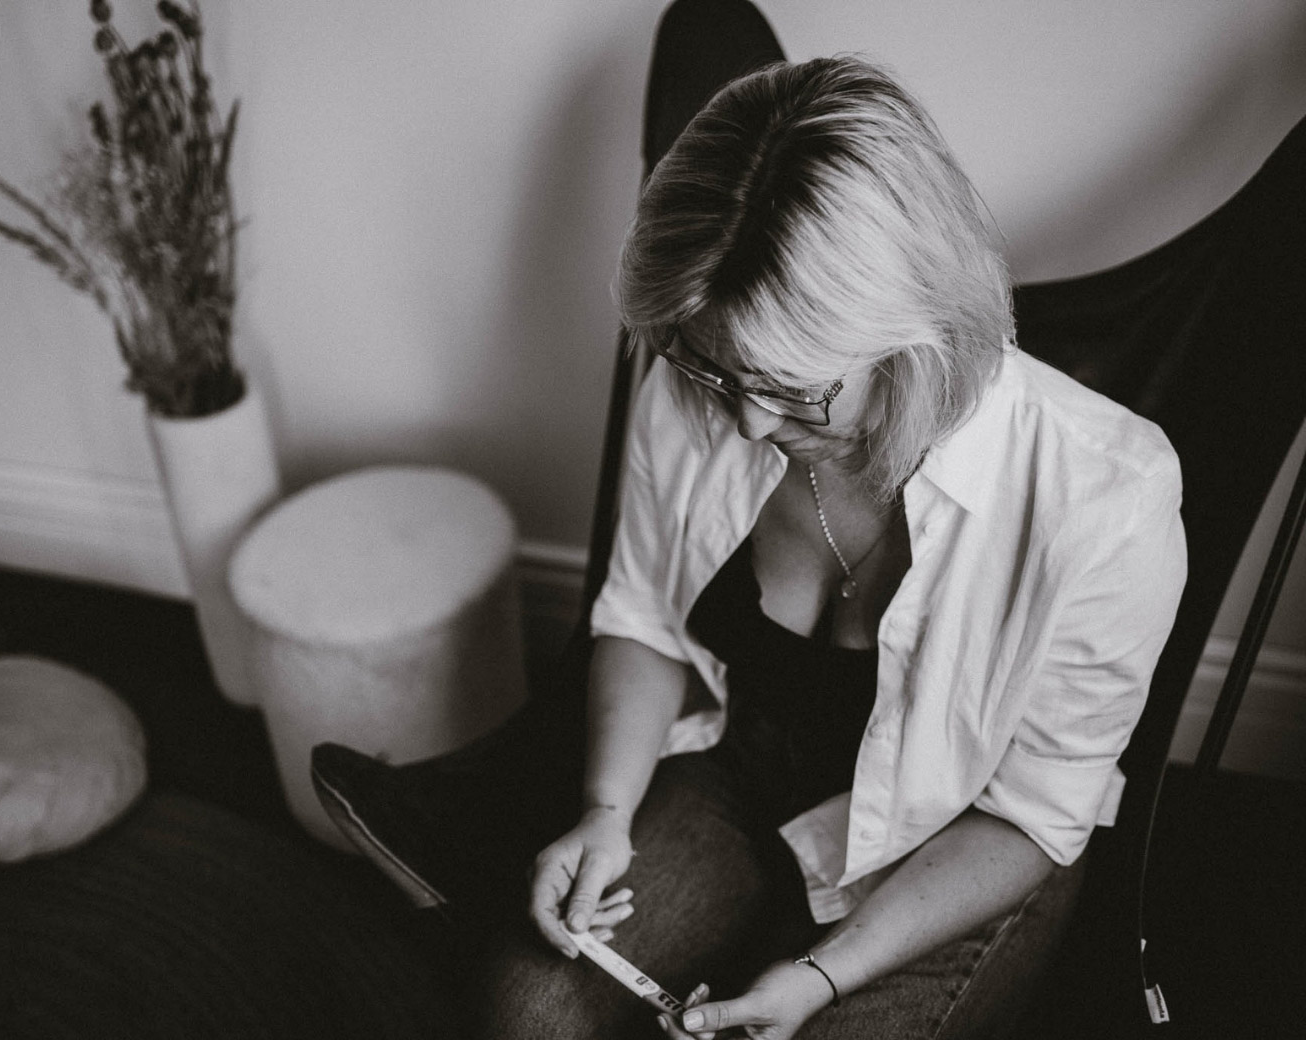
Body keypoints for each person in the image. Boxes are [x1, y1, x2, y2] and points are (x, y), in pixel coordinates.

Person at [318, 54, 1187, 1040]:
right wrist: (605, 811)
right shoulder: (699, 379)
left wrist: (821, 975)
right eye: (720, 374)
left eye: (792, 387)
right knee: (527, 1009)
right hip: (742, 767)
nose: (743, 425)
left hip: (959, 835)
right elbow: (642, 618)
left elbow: (1031, 813)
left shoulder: (1109, 499)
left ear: (911, 330)